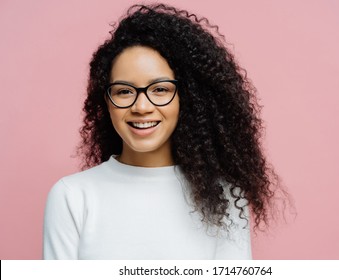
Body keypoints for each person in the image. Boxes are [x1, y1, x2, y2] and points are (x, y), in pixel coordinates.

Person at [43, 3, 282, 260]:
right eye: (124, 91)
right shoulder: (72, 197)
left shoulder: (225, 198)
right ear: (106, 102)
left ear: (187, 98)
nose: (141, 107)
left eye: (160, 89)